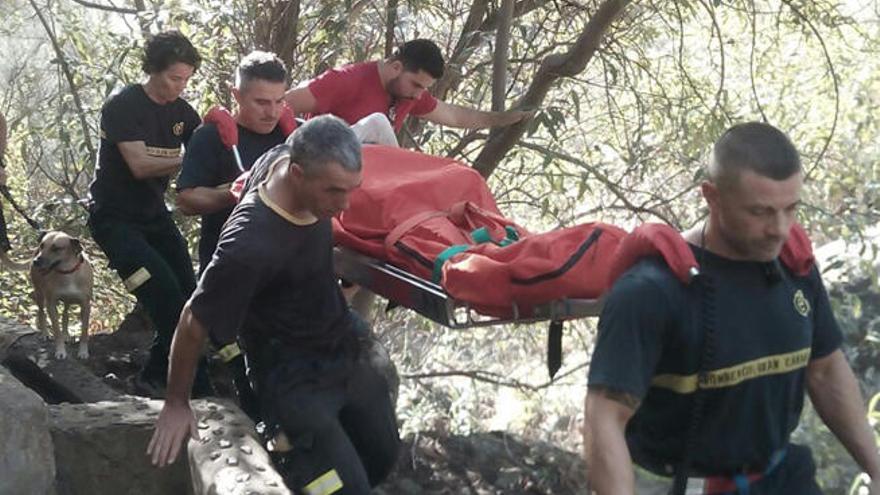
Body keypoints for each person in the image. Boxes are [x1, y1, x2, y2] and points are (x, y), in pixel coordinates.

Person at [583, 122, 880, 494]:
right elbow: (605, 417)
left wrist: (875, 468)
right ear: (712, 196)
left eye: (790, 209)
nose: (780, 229)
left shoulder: (794, 267)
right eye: (761, 212)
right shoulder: (651, 291)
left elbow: (825, 370)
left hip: (781, 478)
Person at [147, 116, 400, 494]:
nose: (344, 204)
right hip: (292, 377)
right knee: (340, 489)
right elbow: (193, 320)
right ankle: (304, 470)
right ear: (297, 175)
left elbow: (368, 125)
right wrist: (177, 402)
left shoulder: (283, 154)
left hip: (344, 348)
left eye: (351, 190)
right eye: (333, 191)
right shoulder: (251, 244)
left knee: (383, 456)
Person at [86, 31, 212, 397]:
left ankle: (156, 373)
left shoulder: (183, 115)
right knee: (164, 296)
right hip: (114, 220)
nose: (180, 86)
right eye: (175, 78)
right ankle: (190, 386)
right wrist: (188, 159)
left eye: (187, 79)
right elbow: (139, 164)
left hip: (154, 215)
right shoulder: (122, 105)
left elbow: (207, 158)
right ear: (153, 70)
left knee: (191, 297)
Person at [284, 38, 531, 142]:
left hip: (366, 176)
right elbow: (281, 104)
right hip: (325, 164)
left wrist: (502, 119)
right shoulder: (345, 80)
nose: (417, 95)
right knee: (378, 124)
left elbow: (454, 116)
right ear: (396, 67)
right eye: (416, 85)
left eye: (423, 89)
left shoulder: (407, 93)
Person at [176, 50, 289, 274]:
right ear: (237, 96)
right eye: (262, 102)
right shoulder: (210, 137)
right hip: (228, 268)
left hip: (286, 270)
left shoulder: (296, 135)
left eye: (279, 101)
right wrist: (233, 192)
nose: (272, 112)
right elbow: (185, 201)